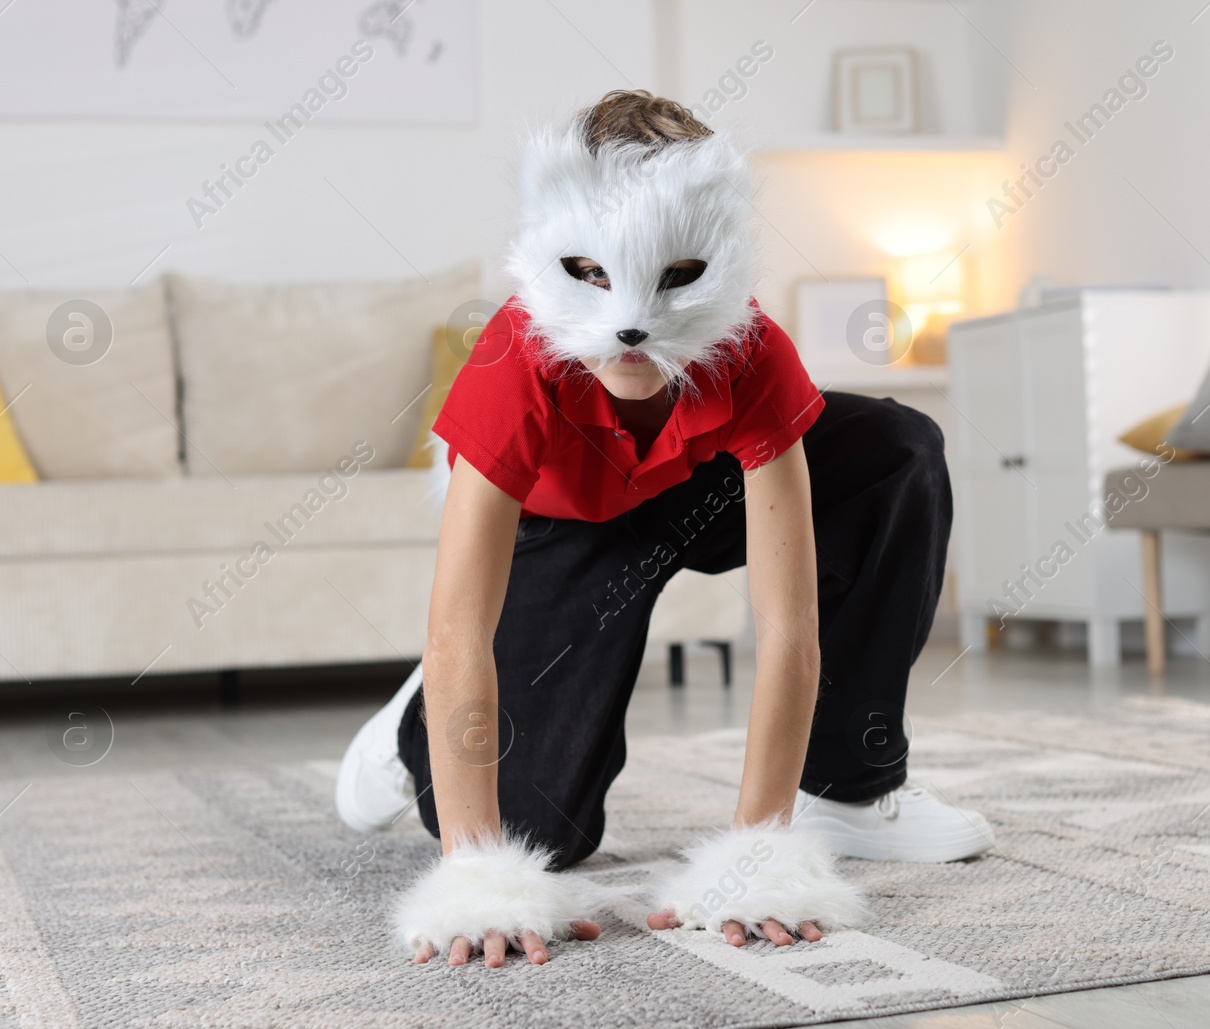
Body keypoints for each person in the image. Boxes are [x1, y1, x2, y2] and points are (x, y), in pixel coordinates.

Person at [335, 90, 993, 969]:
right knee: (543, 829)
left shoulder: (753, 351)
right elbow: (460, 626)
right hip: (566, 527)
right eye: (593, 275)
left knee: (896, 448)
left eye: (674, 277)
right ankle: (411, 730)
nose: (630, 325)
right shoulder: (511, 360)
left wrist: (760, 851)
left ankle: (849, 787)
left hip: (697, 486)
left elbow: (788, 621)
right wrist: (475, 874)